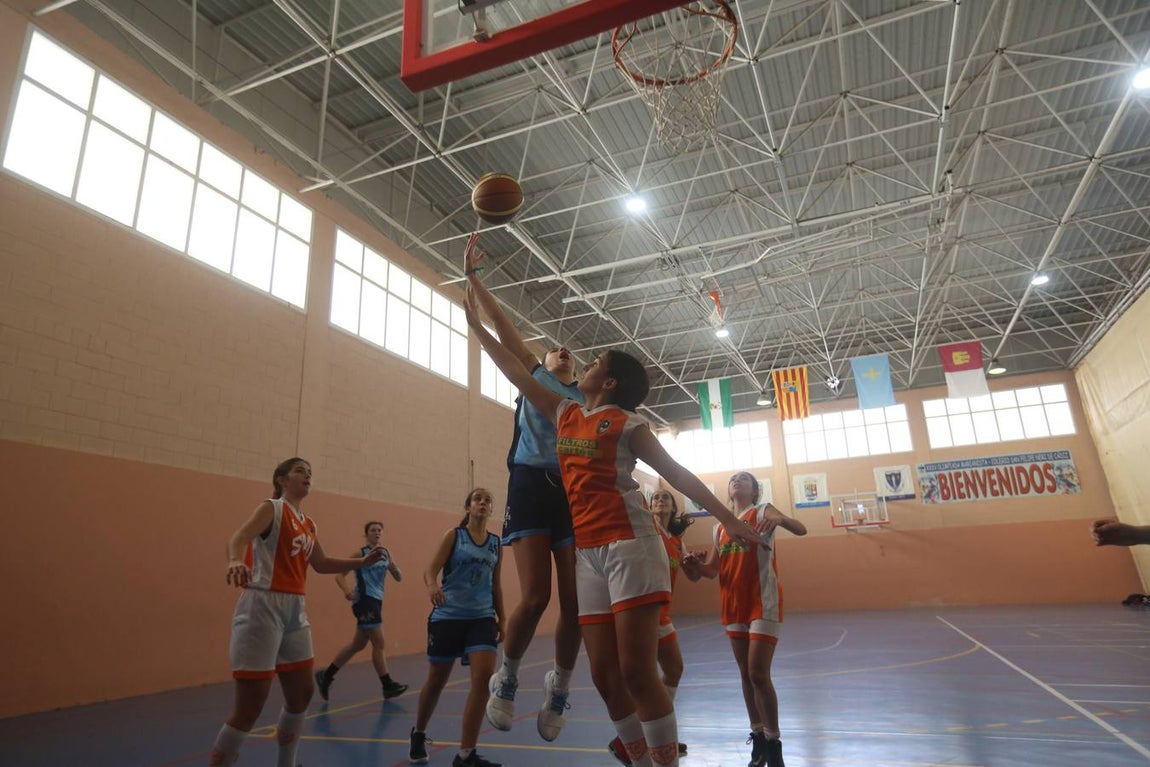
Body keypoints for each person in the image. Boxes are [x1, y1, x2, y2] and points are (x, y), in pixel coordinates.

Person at [464, 289, 767, 767]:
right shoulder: (564, 412)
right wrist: (474, 320)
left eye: (595, 362)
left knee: (637, 672)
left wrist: (728, 518)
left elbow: (677, 474)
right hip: (589, 554)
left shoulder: (627, 424)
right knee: (605, 676)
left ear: (608, 381)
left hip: (631, 546)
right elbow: (516, 369)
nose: (584, 364)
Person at [465, 233, 583, 741]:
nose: (561, 351)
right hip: (532, 484)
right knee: (535, 597)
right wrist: (473, 279)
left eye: (570, 353)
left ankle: (559, 686)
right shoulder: (536, 377)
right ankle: (507, 677)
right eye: (554, 348)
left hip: (572, 495)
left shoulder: (585, 401)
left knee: (576, 604)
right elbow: (501, 327)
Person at [211, 457, 387, 767]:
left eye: (310, 473)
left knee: (302, 694)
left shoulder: (308, 522)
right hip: (262, 604)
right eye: (299, 471)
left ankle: (287, 763)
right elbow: (238, 538)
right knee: (250, 706)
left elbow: (320, 564)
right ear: (282, 479)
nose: (307, 476)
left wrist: (360, 563)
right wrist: (235, 560)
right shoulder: (272, 508)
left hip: (295, 609)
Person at [681, 471, 807, 767]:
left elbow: (800, 529)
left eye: (745, 478)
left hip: (763, 601)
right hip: (733, 604)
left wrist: (781, 520)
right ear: (728, 490)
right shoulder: (720, 528)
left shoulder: (763, 511)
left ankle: (774, 744)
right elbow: (712, 572)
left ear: (755, 490)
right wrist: (695, 566)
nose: (738, 480)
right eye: (734, 478)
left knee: (758, 674)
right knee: (745, 674)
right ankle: (758, 737)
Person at [409, 488, 506, 767]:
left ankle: (466, 754)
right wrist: (432, 587)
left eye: (488, 500)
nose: (483, 503)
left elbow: (495, 585)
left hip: (482, 617)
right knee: (437, 679)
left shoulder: (495, 543)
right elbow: (430, 570)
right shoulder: (454, 536)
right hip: (448, 616)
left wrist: (503, 619)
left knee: (484, 676)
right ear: (468, 506)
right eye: (478, 499)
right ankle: (419, 732)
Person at [608, 490, 691, 766]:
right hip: (643, 607)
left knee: (674, 669)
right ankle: (639, 738)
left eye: (665, 499)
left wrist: (695, 563)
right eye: (655, 498)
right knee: (645, 677)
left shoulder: (677, 542)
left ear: (673, 507)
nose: (659, 502)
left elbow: (692, 574)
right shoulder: (648, 529)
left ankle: (652, 734)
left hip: (662, 613)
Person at [314, 520, 408, 702]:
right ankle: (387, 684)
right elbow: (339, 575)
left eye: (379, 530)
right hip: (365, 600)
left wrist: (396, 571)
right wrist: (347, 590)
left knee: (358, 644)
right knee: (379, 643)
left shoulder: (385, 553)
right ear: (366, 534)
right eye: (373, 530)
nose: (377, 532)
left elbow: (398, 576)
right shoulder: (361, 554)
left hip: (376, 601)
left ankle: (326, 675)